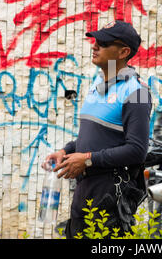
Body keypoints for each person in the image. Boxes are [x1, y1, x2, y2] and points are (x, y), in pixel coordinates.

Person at [43, 20, 152, 238]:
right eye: (95, 41)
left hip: (109, 196)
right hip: (85, 192)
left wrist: (88, 159)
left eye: (103, 42)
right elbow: (95, 137)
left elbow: (137, 150)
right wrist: (67, 150)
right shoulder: (97, 85)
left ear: (123, 51)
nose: (95, 46)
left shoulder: (137, 91)